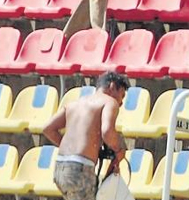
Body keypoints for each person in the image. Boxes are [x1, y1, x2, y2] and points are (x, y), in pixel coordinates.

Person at [43, 72, 130, 200]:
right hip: (80, 169)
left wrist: (74, 148)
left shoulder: (75, 104)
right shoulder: (109, 102)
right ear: (112, 86)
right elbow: (107, 132)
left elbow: (48, 129)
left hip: (61, 166)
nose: (121, 102)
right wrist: (118, 150)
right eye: (121, 95)